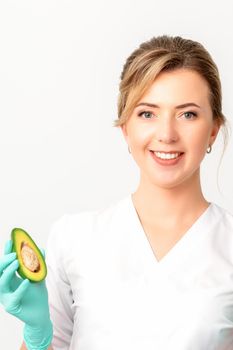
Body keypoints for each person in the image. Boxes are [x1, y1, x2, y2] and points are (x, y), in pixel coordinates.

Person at [0, 34, 233, 350]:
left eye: (188, 114)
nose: (166, 134)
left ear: (214, 130)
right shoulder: (74, 238)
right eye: (147, 113)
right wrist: (37, 335)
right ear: (126, 128)